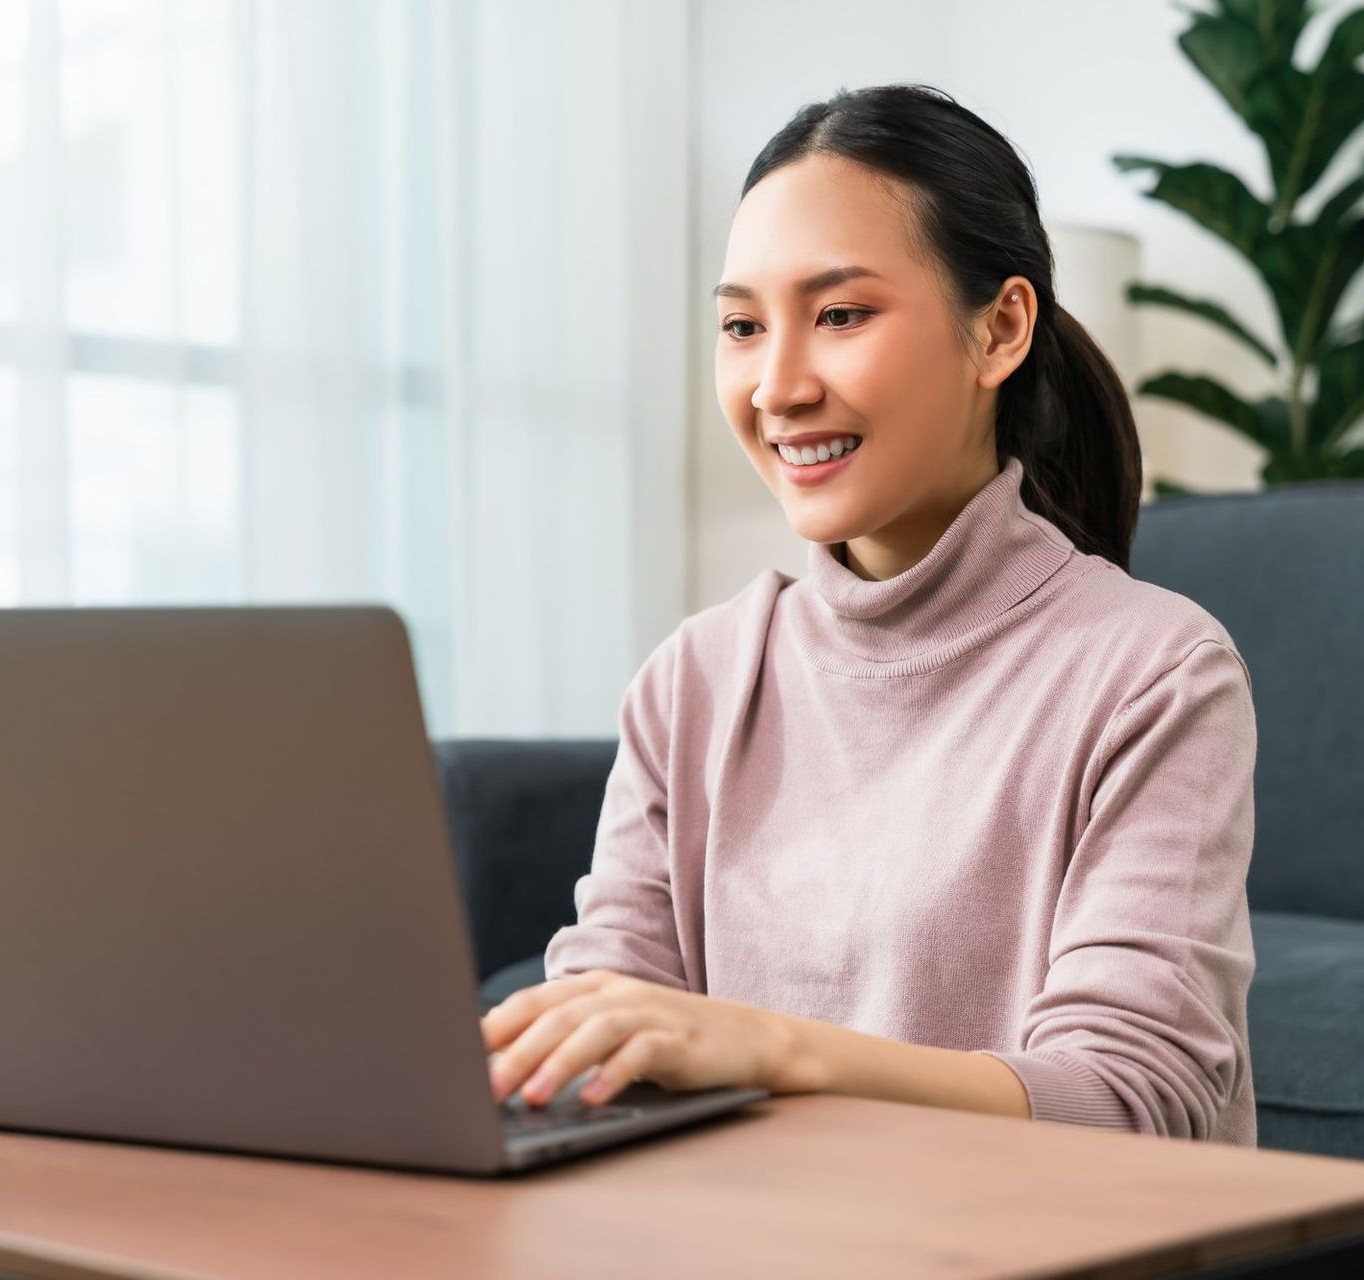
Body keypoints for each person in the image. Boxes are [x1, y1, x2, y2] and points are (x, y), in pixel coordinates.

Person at [480, 83, 1258, 1145]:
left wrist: (771, 1048)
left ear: (1001, 328)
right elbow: (604, 1029)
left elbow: (1134, 1098)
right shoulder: (695, 680)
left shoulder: (1155, 670)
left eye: (840, 314)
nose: (778, 385)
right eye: (743, 327)